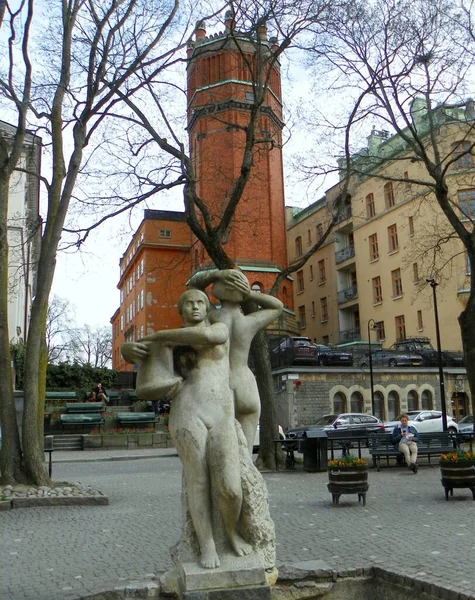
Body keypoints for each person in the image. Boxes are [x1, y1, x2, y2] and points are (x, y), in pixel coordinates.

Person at [121, 289, 252, 569]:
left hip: (221, 412)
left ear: (207, 308)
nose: (195, 307)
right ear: (181, 310)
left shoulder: (217, 329)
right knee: (198, 480)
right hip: (187, 411)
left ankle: (230, 532)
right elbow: (145, 382)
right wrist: (129, 350)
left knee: (230, 488)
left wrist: (156, 336)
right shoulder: (168, 342)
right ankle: (207, 545)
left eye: (200, 302)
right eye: (189, 304)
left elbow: (206, 338)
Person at [188, 269, 283, 454]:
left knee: (222, 451)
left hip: (221, 382)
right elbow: (277, 306)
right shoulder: (249, 321)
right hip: (246, 382)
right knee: (245, 454)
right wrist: (249, 293)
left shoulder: (212, 317)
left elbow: (193, 286)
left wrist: (217, 274)